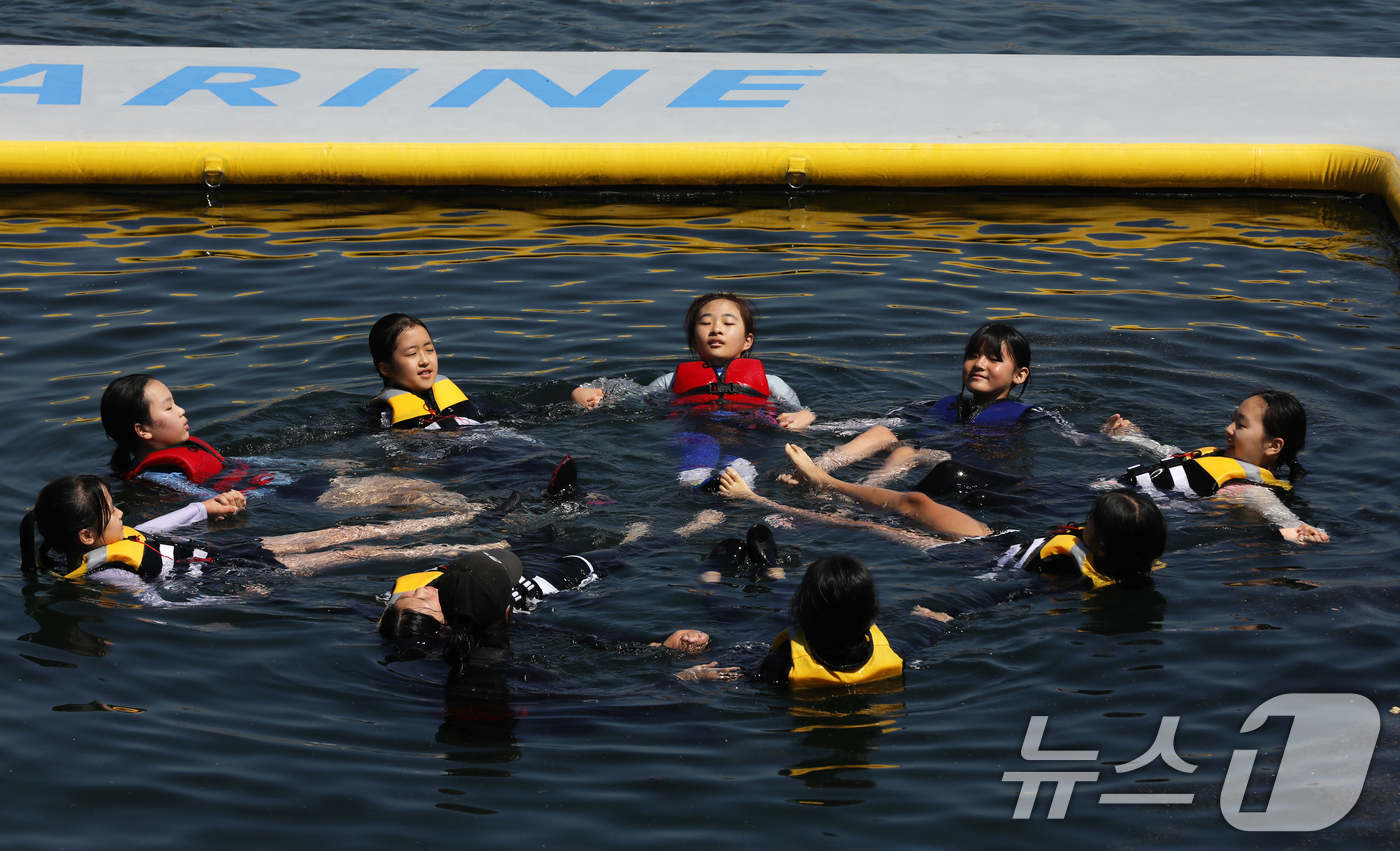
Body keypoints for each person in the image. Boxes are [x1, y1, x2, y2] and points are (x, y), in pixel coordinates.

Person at [20, 475, 504, 596]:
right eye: (112, 509)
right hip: (238, 571)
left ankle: (467, 517)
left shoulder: (116, 539)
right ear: (87, 537)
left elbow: (156, 529)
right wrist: (234, 599)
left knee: (350, 529)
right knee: (360, 548)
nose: (122, 511)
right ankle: (479, 546)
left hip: (236, 549)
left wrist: (202, 507)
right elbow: (161, 604)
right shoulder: (108, 576)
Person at [102, 373, 466, 508]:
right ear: (142, 431)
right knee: (410, 494)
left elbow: (240, 467)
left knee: (412, 489)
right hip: (288, 495)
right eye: (168, 407)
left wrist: (313, 464)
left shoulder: (187, 451)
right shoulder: (154, 476)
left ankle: (480, 515)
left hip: (292, 481)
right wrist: (220, 502)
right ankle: (485, 519)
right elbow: (203, 497)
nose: (182, 410)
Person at [571, 293, 815, 488]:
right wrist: (583, 394)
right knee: (698, 446)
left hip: (747, 435)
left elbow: (802, 412)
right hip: (694, 431)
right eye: (706, 323)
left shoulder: (771, 382)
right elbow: (632, 397)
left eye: (728, 323)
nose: (716, 329)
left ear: (747, 341)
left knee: (740, 458)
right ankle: (696, 485)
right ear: (692, 340)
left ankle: (740, 488)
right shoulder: (672, 380)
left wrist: (802, 418)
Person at [783, 322, 1037, 488]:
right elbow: (878, 422)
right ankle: (809, 472)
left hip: (961, 464)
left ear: (1019, 375)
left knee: (906, 452)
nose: (979, 364)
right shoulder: (937, 405)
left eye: (993, 359)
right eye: (972, 356)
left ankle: (859, 491)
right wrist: (813, 422)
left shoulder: (1029, 416)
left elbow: (1073, 438)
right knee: (880, 433)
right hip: (920, 454)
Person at [423, 552, 737, 683]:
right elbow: (606, 703)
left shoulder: (430, 660)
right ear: (508, 613)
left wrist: (654, 646)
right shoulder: (520, 674)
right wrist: (680, 678)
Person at [1102, 389, 1328, 543]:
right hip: (1108, 493)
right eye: (1232, 419)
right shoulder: (1214, 457)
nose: (1228, 429)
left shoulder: (1251, 491)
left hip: (1117, 511)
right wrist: (1128, 436)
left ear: (1273, 446)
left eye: (1240, 425)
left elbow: (1282, 516)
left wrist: (1303, 529)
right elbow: (1167, 455)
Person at [759, 555, 905, 688]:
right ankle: (777, 576)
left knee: (783, 617)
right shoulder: (892, 655)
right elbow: (916, 646)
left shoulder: (781, 663)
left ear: (804, 607)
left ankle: (775, 575)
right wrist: (929, 623)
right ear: (870, 609)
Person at [370, 312, 499, 430]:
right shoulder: (381, 414)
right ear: (386, 369)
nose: (424, 360)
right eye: (412, 353)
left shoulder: (466, 400)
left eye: (429, 350)